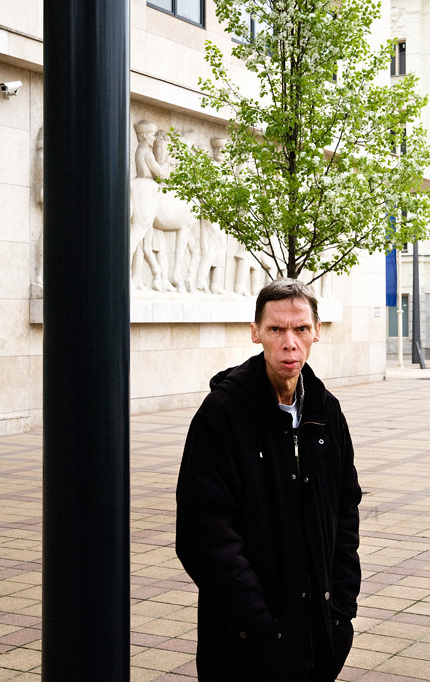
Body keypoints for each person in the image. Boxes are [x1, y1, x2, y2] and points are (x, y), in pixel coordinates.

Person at [176, 278, 362, 682]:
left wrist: (341, 611)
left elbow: (346, 512)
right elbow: (203, 535)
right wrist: (259, 627)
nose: (289, 343)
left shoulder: (327, 413)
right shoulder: (221, 415)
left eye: (300, 328)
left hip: (319, 639)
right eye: (276, 329)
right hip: (245, 646)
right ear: (255, 332)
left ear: (316, 332)